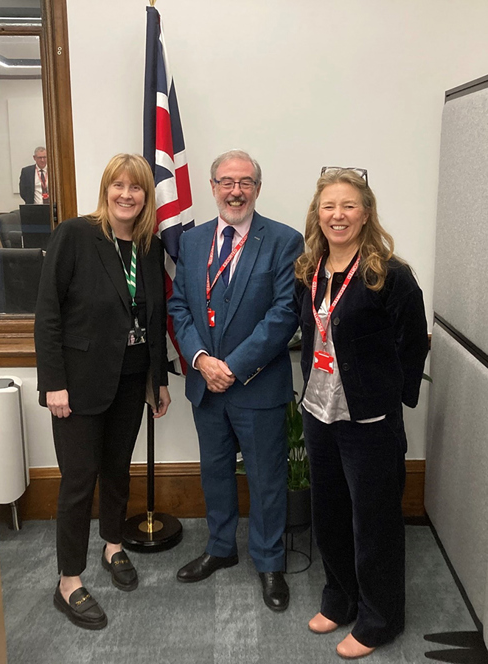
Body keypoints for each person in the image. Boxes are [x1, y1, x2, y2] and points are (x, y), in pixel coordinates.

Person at [294, 168, 428, 659]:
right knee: (328, 514)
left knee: (374, 523)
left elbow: (412, 344)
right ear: (318, 214)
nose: (338, 215)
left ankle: (380, 619)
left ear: (366, 213)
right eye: (329, 206)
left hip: (368, 422)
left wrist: (387, 399)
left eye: (348, 205)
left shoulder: (390, 274)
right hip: (318, 412)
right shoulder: (310, 269)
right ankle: (340, 598)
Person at [34, 153, 171, 630]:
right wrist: (53, 383)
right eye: (119, 186)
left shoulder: (150, 246)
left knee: (117, 471)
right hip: (77, 383)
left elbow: (154, 319)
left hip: (132, 380)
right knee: (77, 482)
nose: (127, 195)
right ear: (106, 190)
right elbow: (47, 313)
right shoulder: (75, 235)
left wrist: (158, 380)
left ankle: (113, 545)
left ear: (146, 196)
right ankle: (68, 581)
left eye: (136, 188)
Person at [169, 149, 303, 611]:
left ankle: (269, 562)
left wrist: (234, 366)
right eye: (226, 182)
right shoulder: (190, 242)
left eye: (245, 182)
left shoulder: (284, 241)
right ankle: (221, 549)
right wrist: (203, 360)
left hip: (258, 386)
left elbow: (285, 313)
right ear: (212, 188)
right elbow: (180, 307)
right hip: (205, 384)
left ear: (257, 189)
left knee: (267, 479)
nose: (235, 191)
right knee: (215, 472)